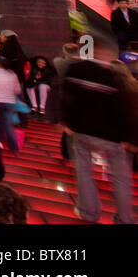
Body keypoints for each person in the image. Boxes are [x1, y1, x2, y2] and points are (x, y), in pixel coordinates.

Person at [51, 52, 138, 224]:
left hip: (85, 133)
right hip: (116, 139)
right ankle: (125, 218)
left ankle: (88, 212)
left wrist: (68, 122)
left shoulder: (89, 81)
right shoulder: (128, 88)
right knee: (121, 179)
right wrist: (131, 139)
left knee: (83, 171)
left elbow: (69, 100)